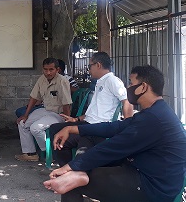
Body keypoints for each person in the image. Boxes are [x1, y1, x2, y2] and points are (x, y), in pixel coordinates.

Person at [43, 65, 186, 202]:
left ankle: (79, 175)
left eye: (131, 83)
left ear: (143, 87)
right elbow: (115, 127)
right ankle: (81, 174)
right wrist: (73, 128)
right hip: (143, 171)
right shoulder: (155, 112)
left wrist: (71, 166)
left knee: (70, 183)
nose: (128, 88)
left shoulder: (154, 119)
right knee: (79, 171)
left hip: (152, 187)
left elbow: (113, 147)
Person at [49, 52, 133, 166]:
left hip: (100, 127)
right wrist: (76, 119)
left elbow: (126, 100)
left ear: (98, 65)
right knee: (55, 129)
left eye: (90, 66)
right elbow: (94, 111)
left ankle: (70, 169)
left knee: (63, 137)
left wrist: (127, 125)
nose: (89, 70)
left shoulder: (112, 80)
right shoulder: (99, 82)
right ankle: (66, 168)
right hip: (88, 123)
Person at [15, 57, 72, 162]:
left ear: (57, 70)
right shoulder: (42, 79)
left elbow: (66, 103)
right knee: (22, 123)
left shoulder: (62, 81)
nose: (48, 72)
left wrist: (66, 123)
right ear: (42, 69)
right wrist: (26, 114)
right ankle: (30, 154)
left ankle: (52, 153)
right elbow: (34, 97)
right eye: (45, 69)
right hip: (45, 110)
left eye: (51, 69)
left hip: (58, 114)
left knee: (35, 128)